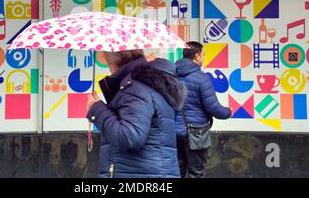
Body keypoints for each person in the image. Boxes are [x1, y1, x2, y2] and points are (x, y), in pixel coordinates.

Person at [86, 50, 187, 178]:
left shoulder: (135, 88)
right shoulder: (146, 84)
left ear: (112, 60)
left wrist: (96, 110)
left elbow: (130, 137)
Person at [175, 41, 232, 178]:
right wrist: (228, 112)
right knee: (196, 173)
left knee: (178, 171)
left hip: (174, 131)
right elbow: (213, 107)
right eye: (203, 55)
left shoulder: (172, 76)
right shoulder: (202, 79)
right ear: (197, 56)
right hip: (196, 133)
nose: (203, 58)